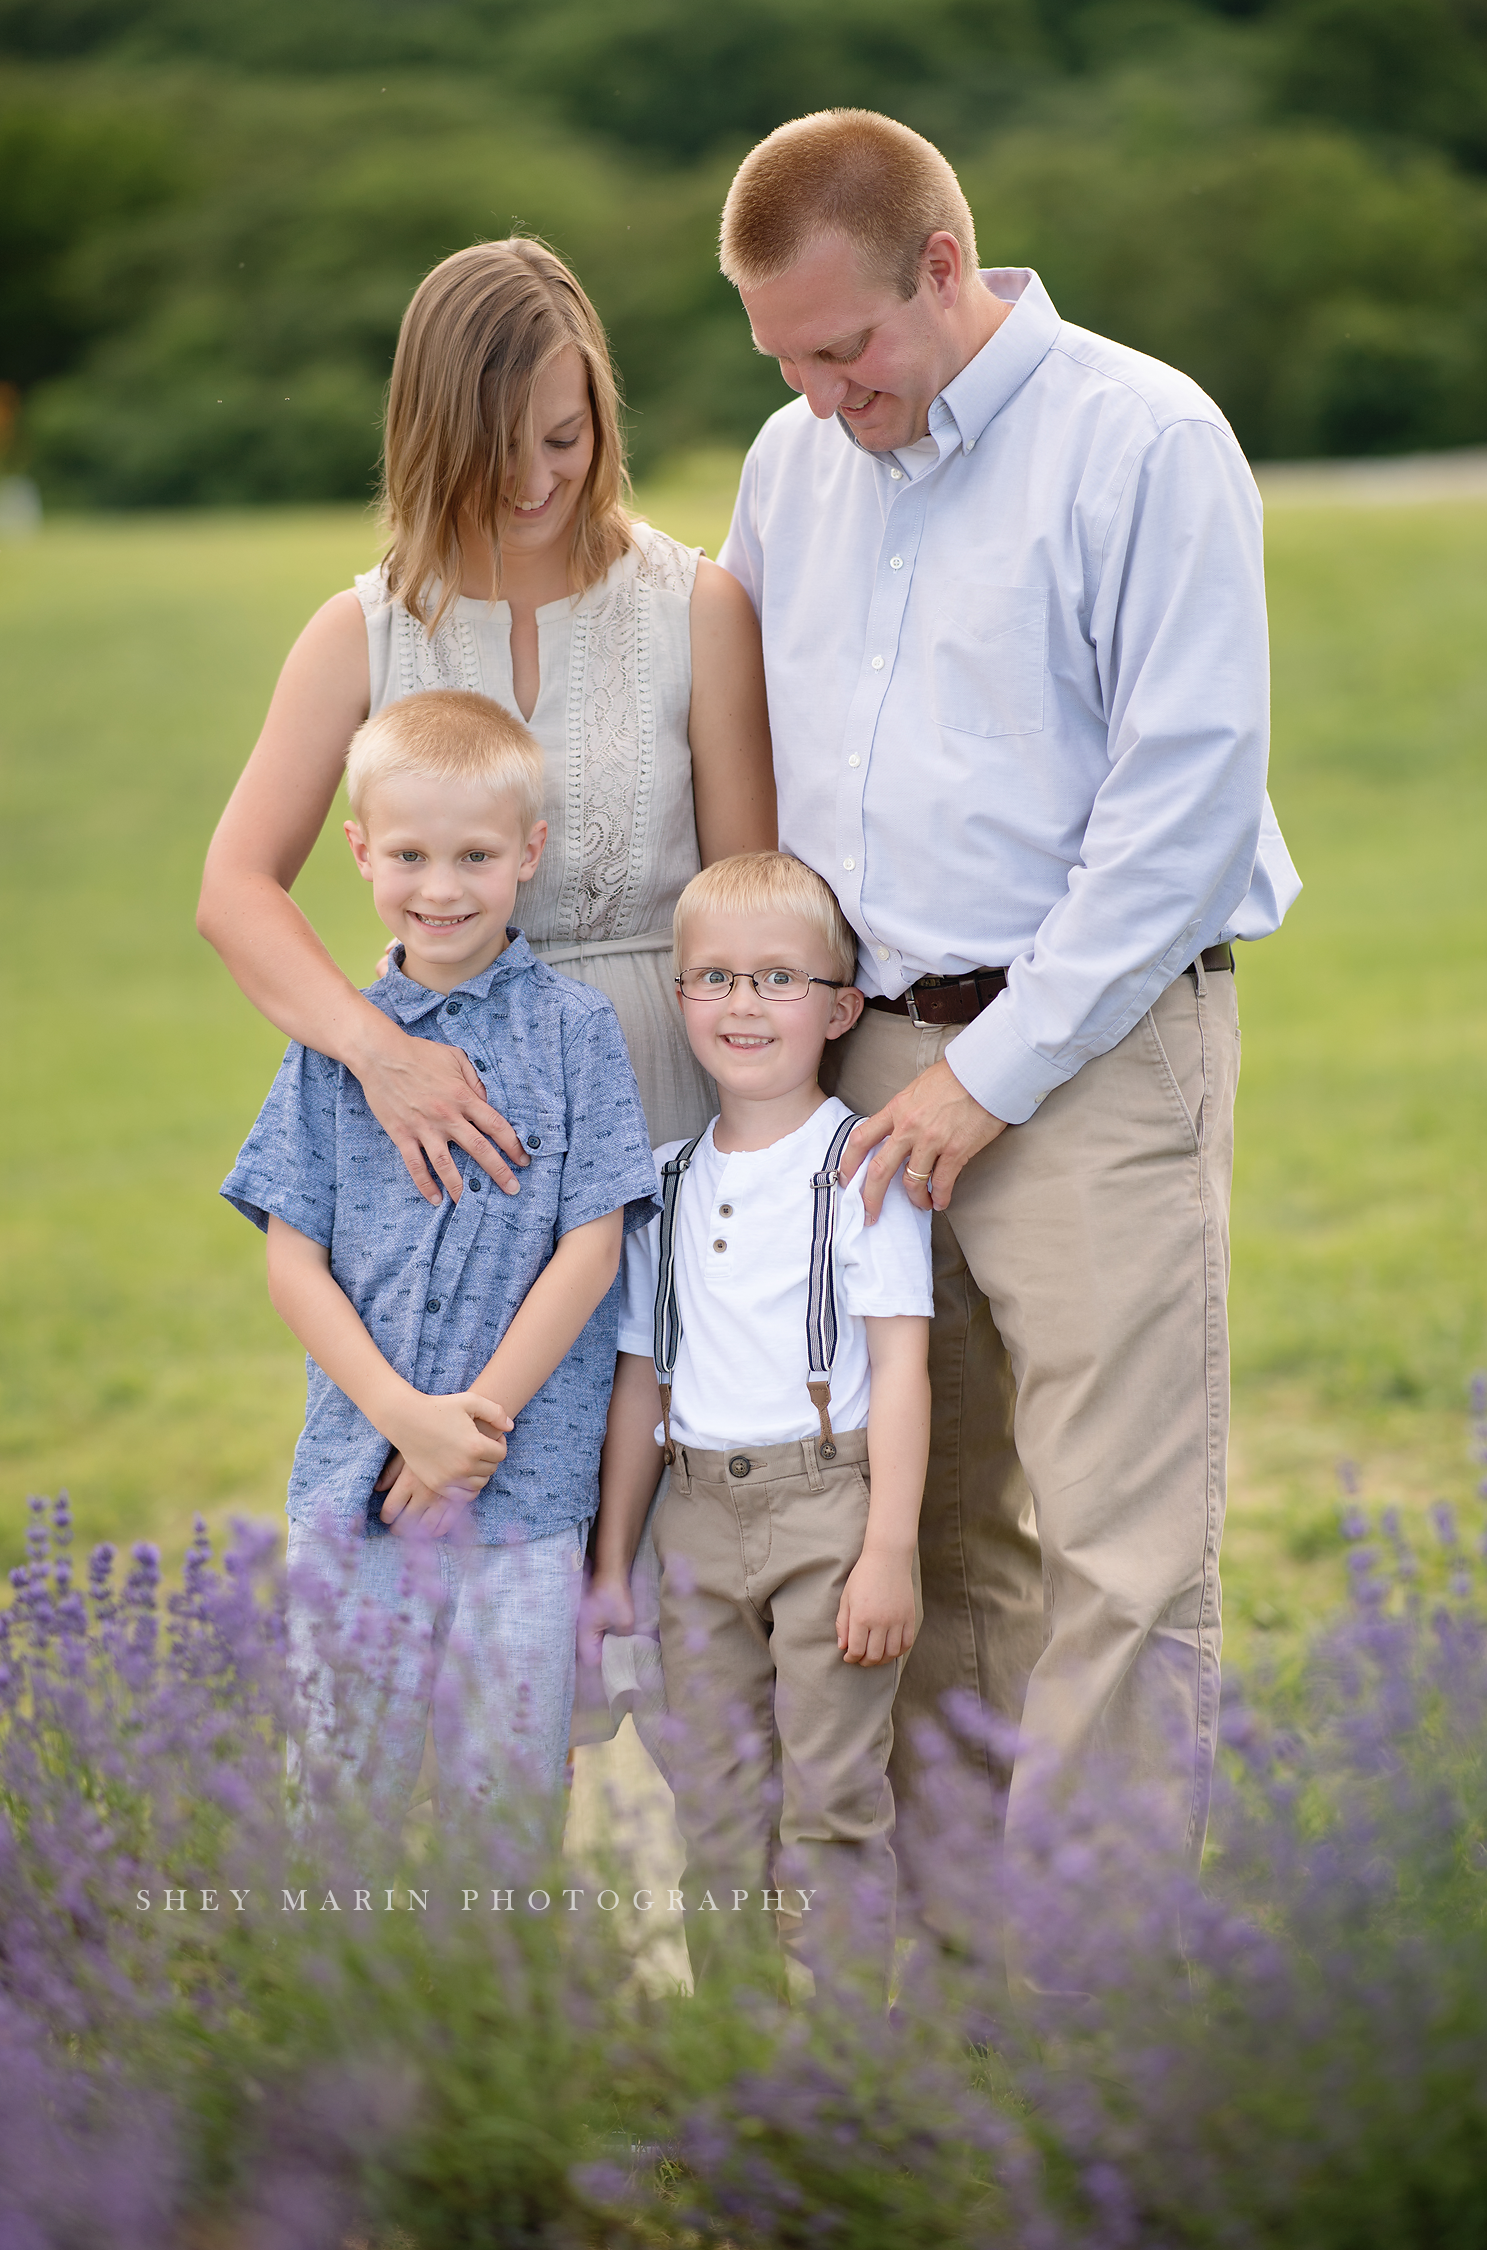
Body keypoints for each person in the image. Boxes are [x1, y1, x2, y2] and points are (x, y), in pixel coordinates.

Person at [715, 111, 1302, 1864]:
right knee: (931, 1530)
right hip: (860, 1065)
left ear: (946, 267)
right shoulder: (786, 460)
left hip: (1098, 1052)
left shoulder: (1143, 438)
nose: (822, 393)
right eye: (784, 358)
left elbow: (1185, 809)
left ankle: (1091, 2040)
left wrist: (994, 1076)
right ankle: (953, 2022)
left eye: (846, 347)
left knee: (1123, 1561)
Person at [198, 236, 776, 1202]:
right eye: (497, 450)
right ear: (432, 434)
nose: (534, 483)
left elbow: (752, 906)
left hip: (681, 1106)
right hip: (454, 1114)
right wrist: (379, 1054)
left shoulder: (697, 608)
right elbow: (234, 890)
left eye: (563, 439)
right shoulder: (362, 633)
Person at [220, 689, 657, 1826]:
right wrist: (400, 1419)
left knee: (503, 1814)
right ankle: (339, 2010)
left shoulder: (574, 1032)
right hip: (354, 1488)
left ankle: (491, 2009)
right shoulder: (331, 1049)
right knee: (338, 1808)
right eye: (410, 854)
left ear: (530, 855)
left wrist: (473, 1429)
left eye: (475, 854)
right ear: (361, 852)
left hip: (524, 1493)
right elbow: (292, 1264)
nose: (443, 887)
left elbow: (592, 1244)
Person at [584, 852, 933, 1979]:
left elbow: (906, 1369)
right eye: (715, 978)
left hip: (828, 1511)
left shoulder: (859, 1169)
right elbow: (643, 1378)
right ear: (678, 994)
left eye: (779, 979)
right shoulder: (664, 1179)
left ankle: (838, 2073)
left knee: (832, 1798)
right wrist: (613, 1561)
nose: (743, 1004)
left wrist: (888, 1550)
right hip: (691, 1521)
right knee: (718, 1812)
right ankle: (734, 2074)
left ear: (841, 1008)